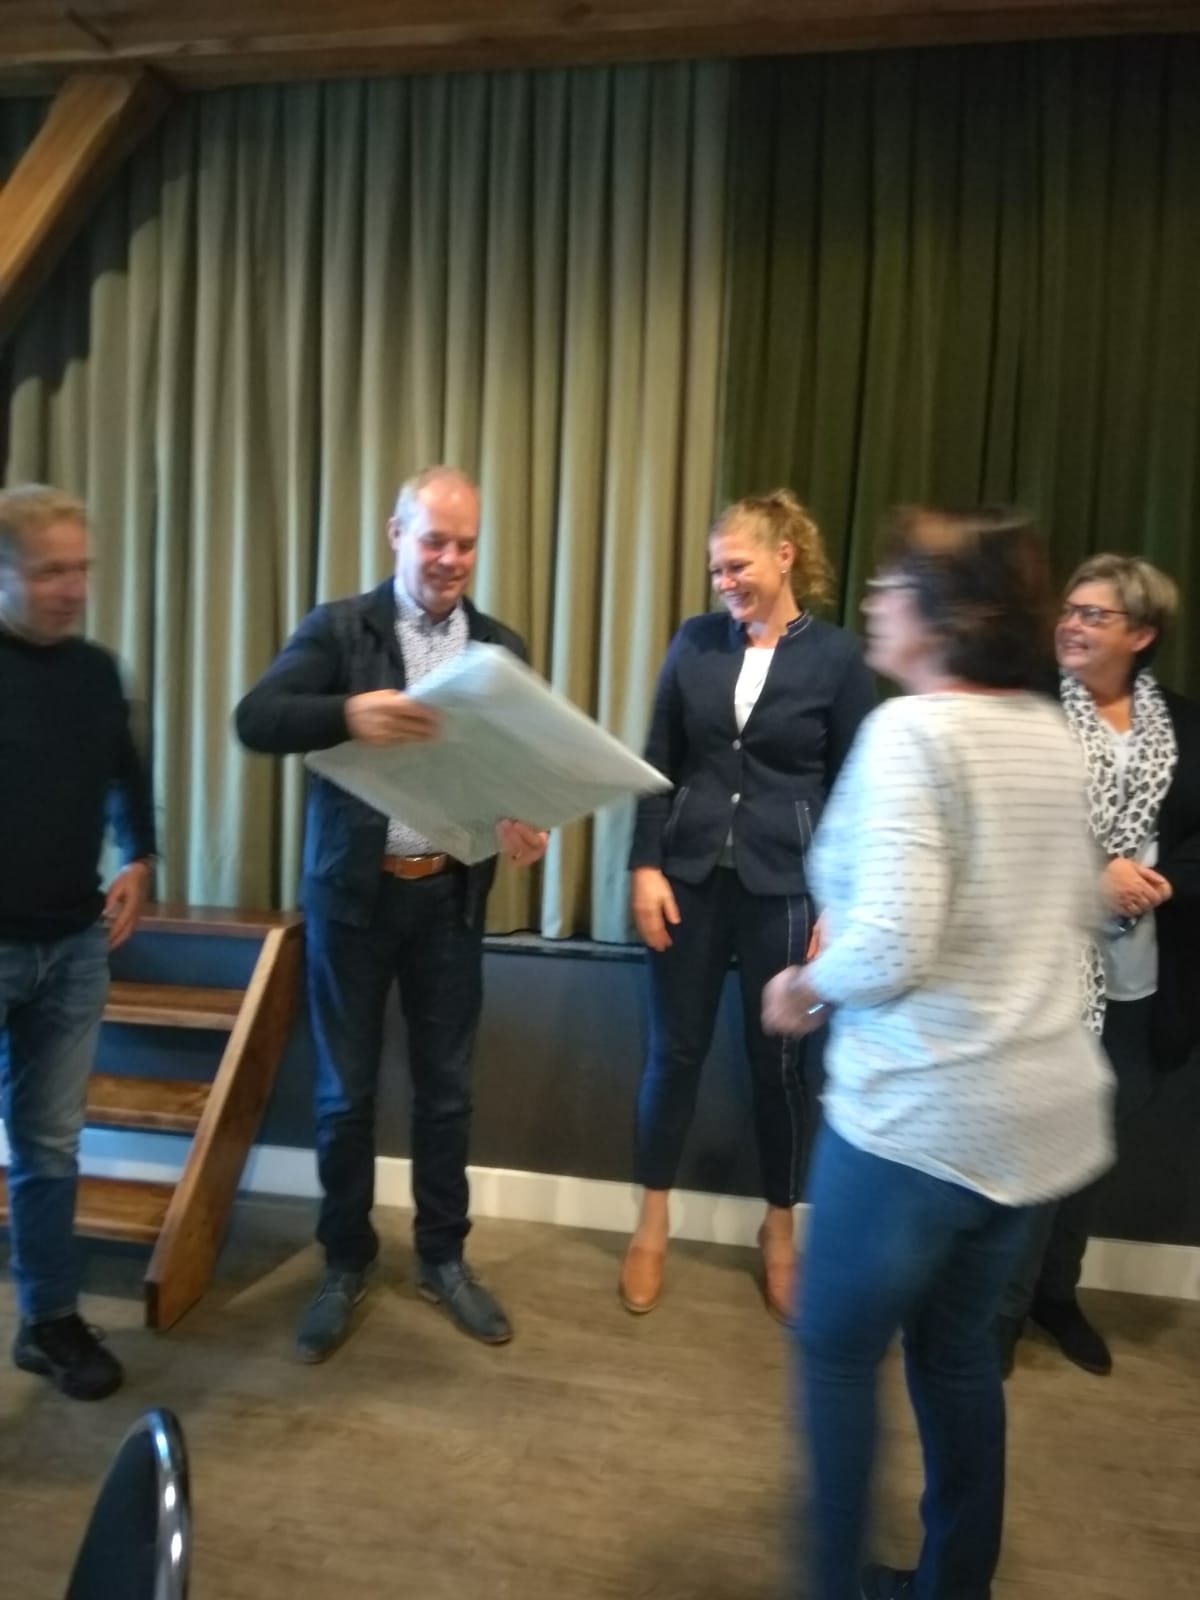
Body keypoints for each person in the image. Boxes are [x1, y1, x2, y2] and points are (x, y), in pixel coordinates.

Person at [761, 508, 1113, 1600]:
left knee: (833, 1351)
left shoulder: (913, 733)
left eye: (892, 584)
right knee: (956, 1358)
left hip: (923, 1116)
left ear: (947, 617)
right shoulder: (1048, 731)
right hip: (1036, 1123)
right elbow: (1068, 904)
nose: (872, 601)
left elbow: (895, 946)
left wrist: (803, 987)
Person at [235, 466, 547, 1362]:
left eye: (466, 543)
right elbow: (258, 718)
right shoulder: (339, 628)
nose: (451, 558)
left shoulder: (500, 647)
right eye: (434, 539)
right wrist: (346, 712)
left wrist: (523, 816)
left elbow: (511, 771)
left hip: (451, 899)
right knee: (346, 1097)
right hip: (353, 901)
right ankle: (345, 1262)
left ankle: (444, 1259)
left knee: (448, 1094)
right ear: (396, 533)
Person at [622, 490, 874, 1320]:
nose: (725, 582)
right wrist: (645, 866)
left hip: (790, 889)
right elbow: (657, 761)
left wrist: (840, 901)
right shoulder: (694, 641)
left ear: (784, 556)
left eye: (738, 565)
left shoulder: (837, 658)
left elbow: (858, 790)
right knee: (673, 1053)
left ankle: (779, 1227)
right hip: (688, 881)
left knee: (782, 1067)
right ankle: (651, 1221)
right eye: (716, 570)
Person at [998, 555, 1200, 1378]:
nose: (1072, 625)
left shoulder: (1186, 726)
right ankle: (999, 1313)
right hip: (1041, 971)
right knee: (1034, 1148)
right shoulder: (1026, 709)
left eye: (1095, 615)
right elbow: (1002, 826)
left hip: (1142, 980)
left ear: (1141, 635)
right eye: (1070, 610)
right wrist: (1094, 874)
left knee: (1092, 1148)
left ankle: (1056, 1294)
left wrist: (1162, 883)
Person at [0, 484, 155, 1401]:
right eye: (50, 570)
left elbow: (126, 774)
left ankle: (49, 1322)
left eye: (82, 569)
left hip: (72, 946)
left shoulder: (98, 672)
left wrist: (139, 854)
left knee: (51, 1146)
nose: (72, 589)